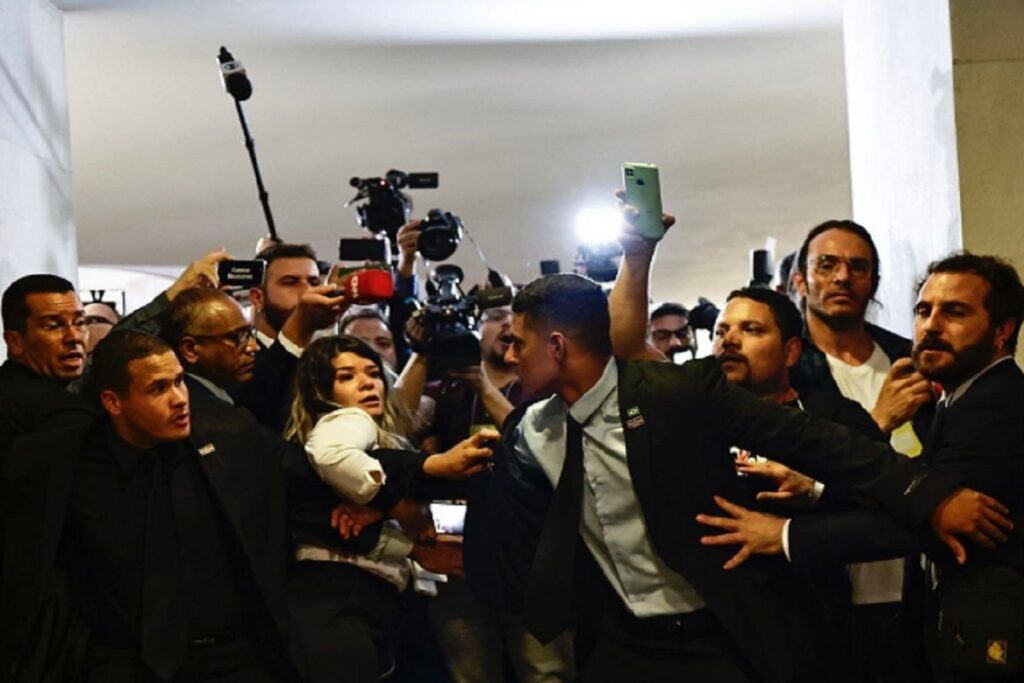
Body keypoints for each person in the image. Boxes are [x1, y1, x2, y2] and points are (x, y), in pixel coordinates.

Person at [501, 268, 1008, 683]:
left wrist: (930, 495)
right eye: (722, 330)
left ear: (558, 346)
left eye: (518, 343)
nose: (508, 356)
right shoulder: (531, 431)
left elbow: (827, 447)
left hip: (740, 633)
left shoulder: (675, 396)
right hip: (619, 643)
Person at [700, 253, 1024, 682]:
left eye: (955, 312)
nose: (930, 326)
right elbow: (921, 494)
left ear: (1002, 330)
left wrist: (782, 535)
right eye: (924, 311)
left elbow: (922, 519)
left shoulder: (998, 402)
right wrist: (818, 491)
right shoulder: (956, 397)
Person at [1, 330, 303, 681]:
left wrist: (372, 502)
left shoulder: (232, 435)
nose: (179, 399)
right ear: (114, 402)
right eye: (158, 389)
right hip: (121, 660)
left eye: (179, 382)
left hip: (236, 656)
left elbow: (304, 474)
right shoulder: (64, 460)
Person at [284, 334, 498, 683]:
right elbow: (332, 456)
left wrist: (393, 512)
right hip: (339, 596)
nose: (367, 383)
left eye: (371, 372)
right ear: (321, 392)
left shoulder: (383, 443)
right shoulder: (346, 421)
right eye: (346, 377)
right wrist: (392, 503)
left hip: (367, 599)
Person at [789, 220, 938, 680]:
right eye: (826, 265)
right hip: (820, 594)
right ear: (800, 279)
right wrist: (878, 421)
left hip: (917, 588)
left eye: (858, 267)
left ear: (873, 281)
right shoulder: (789, 369)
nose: (842, 277)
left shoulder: (909, 359)